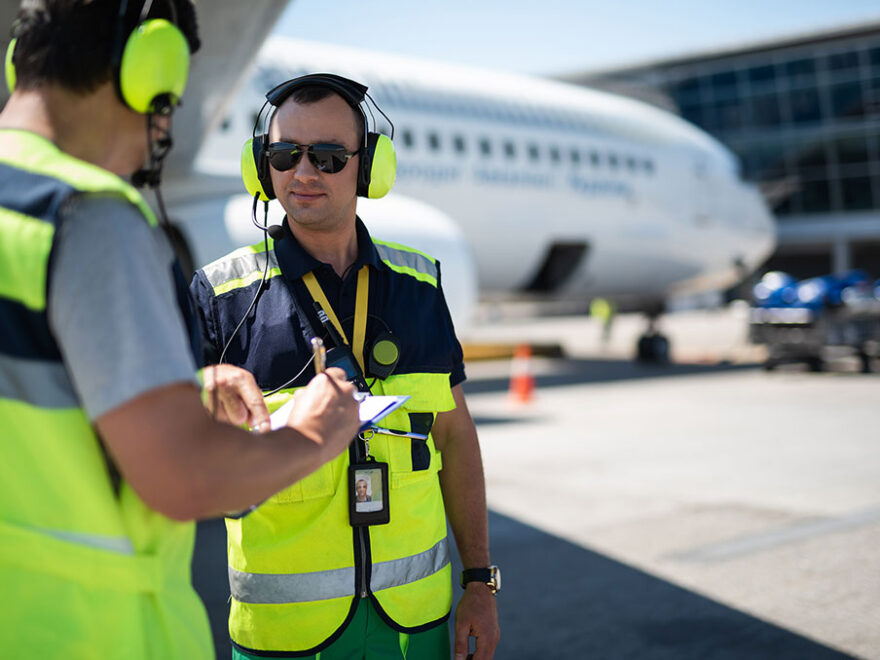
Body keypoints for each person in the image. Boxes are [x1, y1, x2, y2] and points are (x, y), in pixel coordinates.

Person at [0, 2, 360, 657]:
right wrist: (317, 431)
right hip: (89, 631)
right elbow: (186, 479)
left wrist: (173, 388)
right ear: (151, 72)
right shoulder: (90, 218)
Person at [190, 74, 501, 659]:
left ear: (369, 168)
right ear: (262, 165)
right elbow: (172, 446)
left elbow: (456, 437)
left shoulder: (419, 287)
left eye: (330, 157)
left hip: (415, 626)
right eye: (285, 155)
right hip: (284, 638)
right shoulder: (220, 293)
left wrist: (480, 583)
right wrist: (199, 387)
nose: (304, 173)